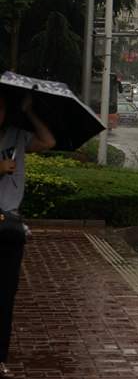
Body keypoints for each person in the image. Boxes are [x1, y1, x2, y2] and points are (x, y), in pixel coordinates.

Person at [0, 92, 55, 378]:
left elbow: (48, 141)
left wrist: (30, 113)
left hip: (9, 227)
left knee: (5, 296)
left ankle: (0, 357)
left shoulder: (17, 135)